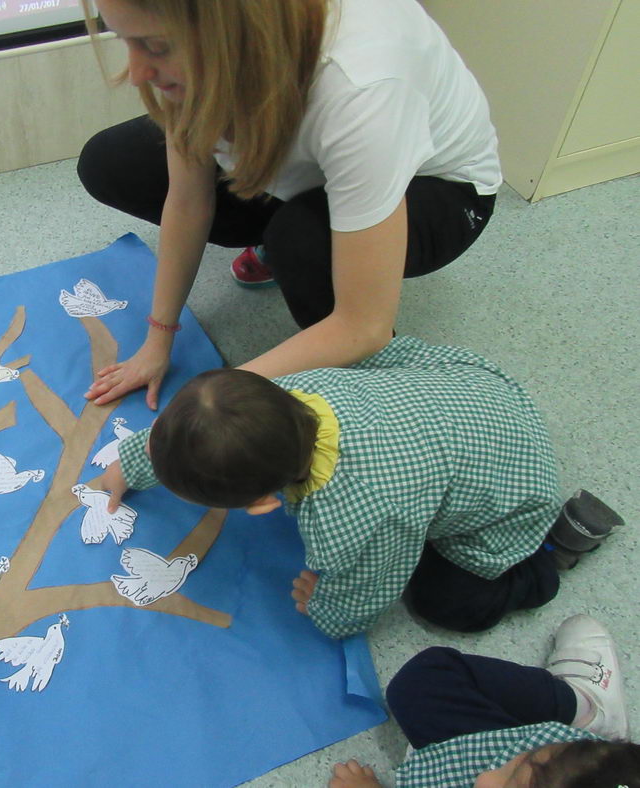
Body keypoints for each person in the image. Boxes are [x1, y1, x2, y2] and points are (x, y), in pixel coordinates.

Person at [78, 0, 502, 410]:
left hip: (441, 189)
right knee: (109, 163)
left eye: (155, 46)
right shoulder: (207, 47)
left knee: (299, 241)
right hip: (307, 154)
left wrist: (211, 399)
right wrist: (158, 340)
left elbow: (364, 326)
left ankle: (311, 256)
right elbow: (189, 200)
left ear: (228, 30)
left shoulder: (361, 86)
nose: (135, 74)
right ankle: (297, 234)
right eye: (126, 40)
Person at [95, 336, 622, 639]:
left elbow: (372, 586)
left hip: (514, 496)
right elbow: (193, 429)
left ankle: (546, 560)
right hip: (481, 399)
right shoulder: (292, 390)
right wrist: (131, 461)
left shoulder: (355, 518)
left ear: (260, 504)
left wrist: (328, 607)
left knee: (446, 600)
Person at [328, 615, 639, 787]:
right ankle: (584, 705)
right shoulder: (530, 759)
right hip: (498, 743)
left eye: (507, 785)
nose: (486, 775)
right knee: (424, 679)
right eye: (517, 762)